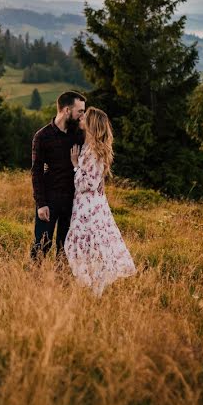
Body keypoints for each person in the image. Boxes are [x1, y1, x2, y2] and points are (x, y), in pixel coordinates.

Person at [64, 107, 136, 296]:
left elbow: (86, 183)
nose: (81, 118)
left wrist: (74, 166)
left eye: (84, 117)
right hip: (88, 204)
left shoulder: (94, 151)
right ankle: (91, 287)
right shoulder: (90, 147)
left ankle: (95, 288)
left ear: (91, 124)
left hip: (89, 207)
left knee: (84, 244)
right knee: (88, 245)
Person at [30, 91, 86, 261]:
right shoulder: (42, 136)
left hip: (72, 201)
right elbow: (36, 171)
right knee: (42, 244)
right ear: (67, 110)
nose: (82, 115)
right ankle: (33, 282)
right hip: (50, 198)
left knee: (66, 248)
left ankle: (61, 284)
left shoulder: (79, 135)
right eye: (80, 111)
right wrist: (41, 204)